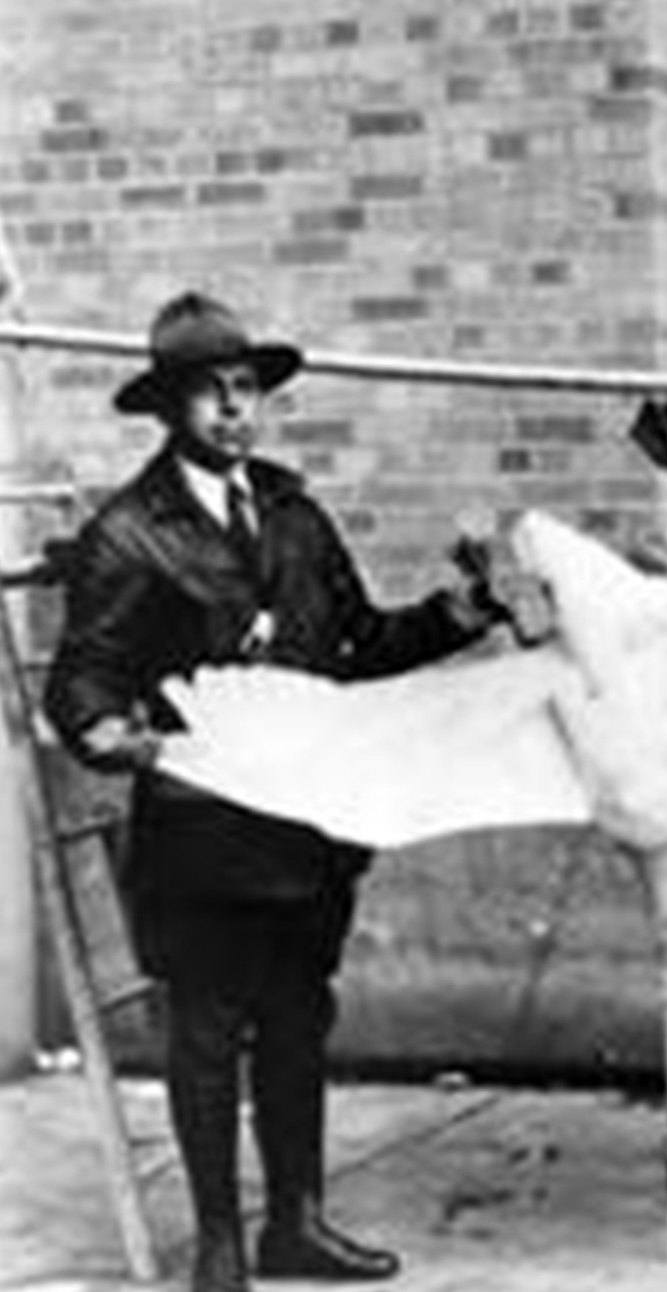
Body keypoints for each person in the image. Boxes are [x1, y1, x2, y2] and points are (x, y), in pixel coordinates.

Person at [43, 292, 504, 1292]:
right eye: (208, 395)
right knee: (206, 1036)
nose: (232, 411)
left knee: (299, 1022)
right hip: (201, 837)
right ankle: (218, 1243)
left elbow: (361, 644)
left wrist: (457, 614)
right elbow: (80, 678)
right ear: (170, 408)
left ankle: (295, 1221)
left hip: (305, 827)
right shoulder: (132, 532)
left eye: (245, 389)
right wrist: (114, 734)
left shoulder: (294, 514)